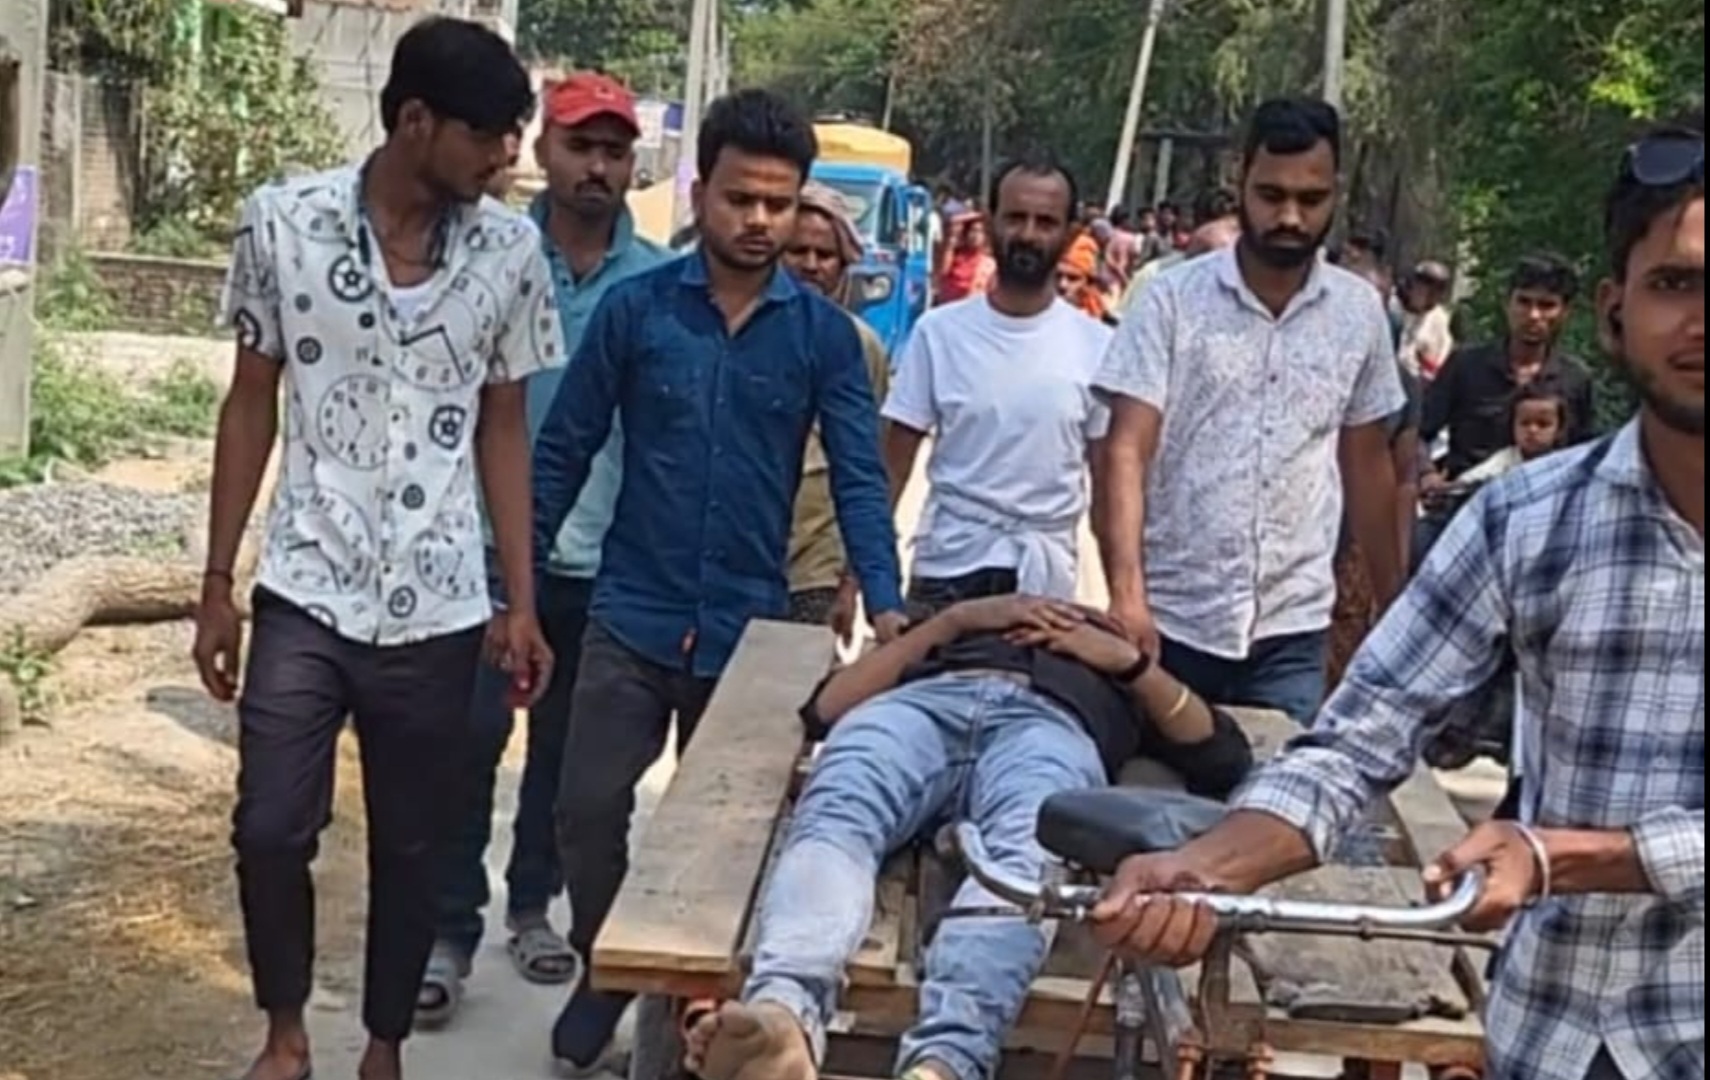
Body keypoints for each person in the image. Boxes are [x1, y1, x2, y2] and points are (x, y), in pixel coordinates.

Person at [1093, 115, 1705, 1080]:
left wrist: (1566, 857)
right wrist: (1207, 866)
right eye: (1675, 283)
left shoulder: (1355, 317)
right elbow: (1356, 739)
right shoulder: (1527, 520)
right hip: (1558, 1037)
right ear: (1614, 308)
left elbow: (1370, 462)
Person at [193, 19, 560, 1080]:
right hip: (305, 584)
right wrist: (216, 584)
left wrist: (518, 599)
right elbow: (250, 402)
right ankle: (286, 1035)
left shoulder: (509, 254)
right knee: (270, 827)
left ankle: (384, 1046)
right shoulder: (283, 224)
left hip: (439, 604)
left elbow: (503, 425)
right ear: (415, 122)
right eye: (488, 135)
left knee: (412, 840)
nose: (507, 158)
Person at [530, 88, 908, 1071]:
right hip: (631, 614)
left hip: (751, 636)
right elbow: (563, 451)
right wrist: (516, 591)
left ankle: (685, 1025)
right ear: (702, 193)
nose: (759, 222)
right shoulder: (637, 311)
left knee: (725, 851)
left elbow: (861, 480)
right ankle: (605, 963)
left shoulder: (823, 338)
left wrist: (888, 604)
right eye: (741, 199)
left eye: (779, 204)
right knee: (585, 811)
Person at [684, 595, 1256, 1080]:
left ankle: (944, 1063)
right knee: (838, 812)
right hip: (922, 705)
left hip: (1049, 725)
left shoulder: (1116, 672)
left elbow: (1224, 755)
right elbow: (825, 708)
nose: (1047, 614)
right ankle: (783, 1016)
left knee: (1028, 859)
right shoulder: (952, 637)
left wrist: (1126, 663)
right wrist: (957, 621)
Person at [415, 72, 670, 1029]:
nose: (596, 167)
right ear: (541, 152)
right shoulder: (487, 257)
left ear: (632, 165)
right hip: (486, 546)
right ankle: (448, 930)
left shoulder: (660, 283)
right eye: (579, 146)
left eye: (613, 151)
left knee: (566, 759)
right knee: (468, 741)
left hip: (607, 555)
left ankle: (532, 908)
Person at [1095, 99, 1408, 728]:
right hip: (1173, 622)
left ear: (1337, 192)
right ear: (1240, 179)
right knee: (1155, 787)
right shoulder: (1171, 301)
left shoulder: (1359, 313)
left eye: (1310, 199)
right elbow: (1124, 450)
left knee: (1277, 786)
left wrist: (1397, 611)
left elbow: (1368, 467)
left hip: (1292, 632)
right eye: (1271, 195)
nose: (1289, 217)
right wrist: (1127, 596)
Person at [884, 153, 1114, 615]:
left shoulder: (1100, 347)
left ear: (1071, 234)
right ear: (989, 224)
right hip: (947, 569)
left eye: (1045, 222)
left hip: (1044, 583)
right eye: (1014, 218)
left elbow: (1109, 487)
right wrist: (862, 576)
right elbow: (892, 465)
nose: (1028, 234)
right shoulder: (938, 333)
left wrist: (1125, 596)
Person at [781, 181, 893, 640]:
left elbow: (869, 469)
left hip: (815, 569)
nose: (810, 265)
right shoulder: (736, 333)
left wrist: (852, 583)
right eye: (797, 251)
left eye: (824, 255)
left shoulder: (860, 347)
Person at [1423, 254, 1598, 478]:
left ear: (1565, 312)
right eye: (1524, 302)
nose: (1533, 315)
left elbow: (1583, 454)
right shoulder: (1465, 365)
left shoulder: (1575, 379)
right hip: (1467, 492)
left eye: (1546, 306)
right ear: (1507, 304)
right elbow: (1419, 433)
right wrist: (1426, 474)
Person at [1457, 380, 1574, 484]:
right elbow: (1467, 482)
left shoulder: (1566, 464)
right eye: (1525, 423)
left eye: (1543, 424)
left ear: (1559, 429)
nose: (1532, 430)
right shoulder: (1505, 462)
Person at [1399, 260, 1456, 380]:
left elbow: (1438, 363)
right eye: (1419, 287)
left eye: (1431, 292)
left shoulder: (1438, 319)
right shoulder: (1391, 306)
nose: (1421, 294)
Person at [936, 211, 996, 305]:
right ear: (965, 233)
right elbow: (941, 273)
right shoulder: (953, 256)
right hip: (950, 307)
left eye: (980, 232)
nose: (976, 235)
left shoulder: (989, 264)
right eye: (973, 231)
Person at [1056, 231, 1116, 324]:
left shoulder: (1098, 323)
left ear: (1088, 283)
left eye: (1073, 278)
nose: (1062, 285)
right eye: (1057, 276)